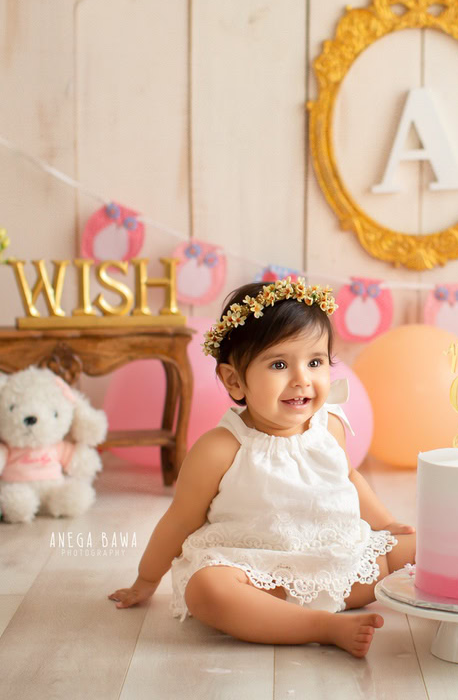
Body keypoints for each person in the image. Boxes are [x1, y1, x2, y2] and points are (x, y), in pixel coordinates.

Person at [108, 278, 415, 657]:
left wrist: (385, 525)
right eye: (280, 364)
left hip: (342, 565)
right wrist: (146, 578)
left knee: (425, 546)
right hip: (262, 578)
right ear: (234, 380)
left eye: (316, 362)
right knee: (207, 589)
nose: (302, 379)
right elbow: (179, 520)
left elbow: (348, 478)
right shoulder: (220, 448)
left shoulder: (330, 425)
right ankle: (321, 626)